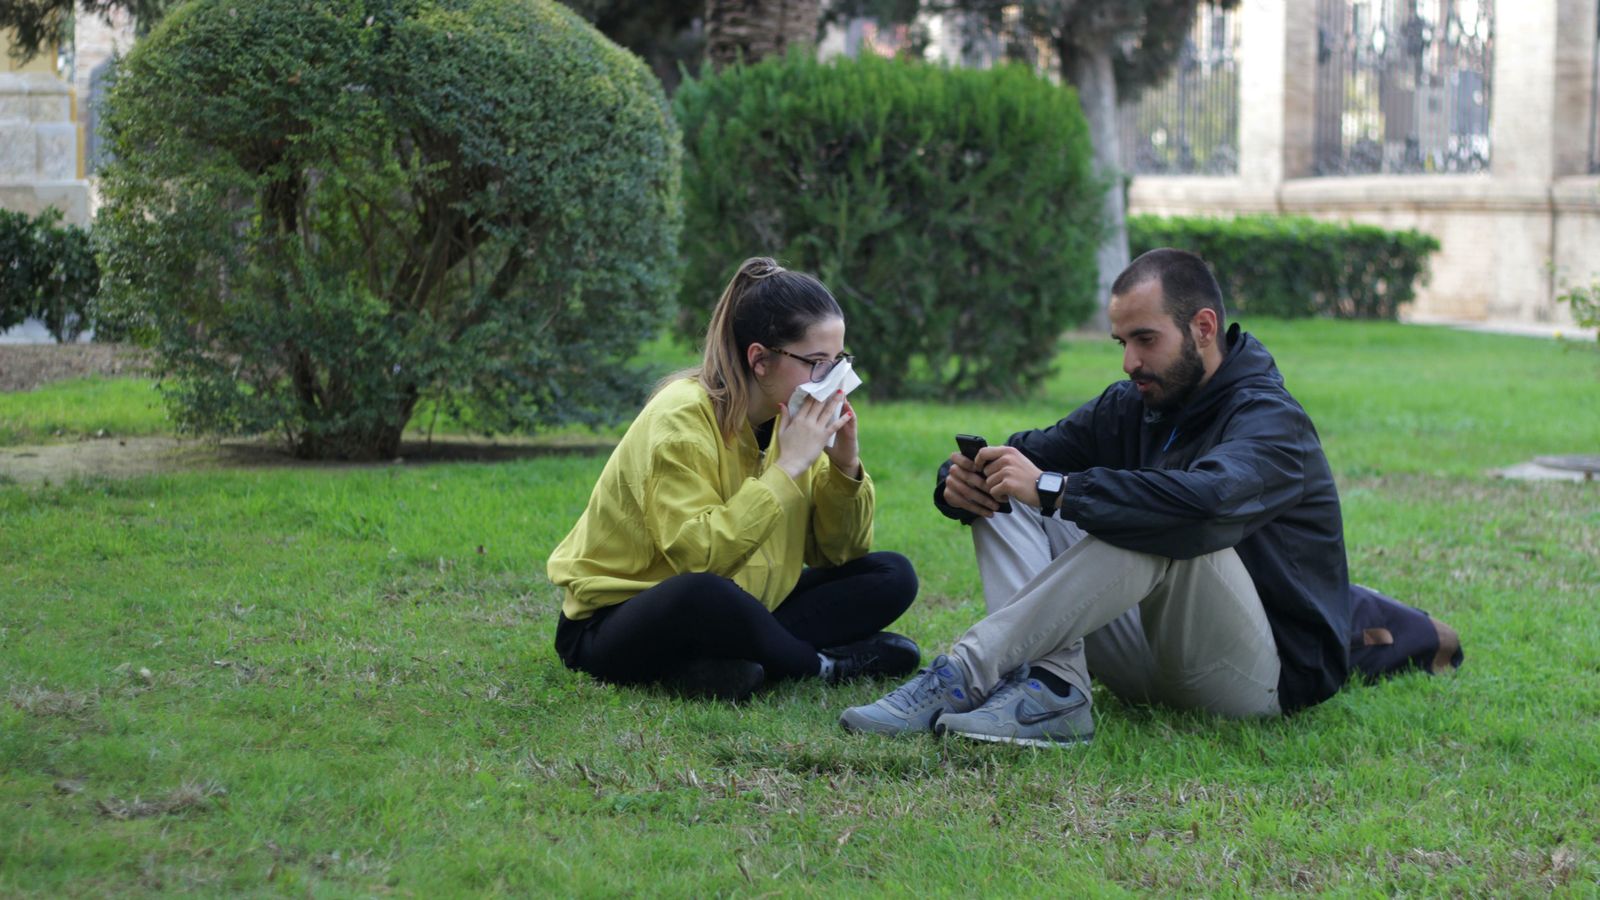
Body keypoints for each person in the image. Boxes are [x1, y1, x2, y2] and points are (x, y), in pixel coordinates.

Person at [840, 248, 1461, 746]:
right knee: (1010, 486)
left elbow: (1206, 503)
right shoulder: (1135, 403)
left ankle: (966, 672)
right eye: (1122, 344)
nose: (1131, 362)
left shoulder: (1272, 422)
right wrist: (965, 483)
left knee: (1162, 521)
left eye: (1145, 340)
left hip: (1257, 678)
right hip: (1148, 656)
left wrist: (1056, 488)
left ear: (1203, 328)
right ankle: (1056, 692)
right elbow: (1029, 459)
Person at [548, 257, 921, 702]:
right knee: (703, 593)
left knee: (892, 574)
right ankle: (819, 665)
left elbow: (837, 553)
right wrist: (786, 472)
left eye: (839, 360)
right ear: (760, 359)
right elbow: (698, 559)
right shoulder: (682, 416)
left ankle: (721, 667)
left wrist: (845, 467)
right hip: (618, 622)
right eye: (817, 363)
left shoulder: (792, 419)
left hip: (748, 605)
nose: (834, 380)